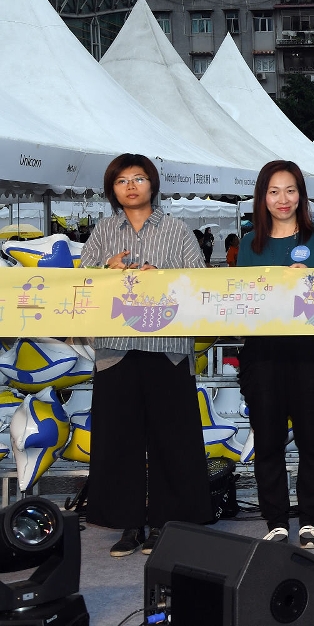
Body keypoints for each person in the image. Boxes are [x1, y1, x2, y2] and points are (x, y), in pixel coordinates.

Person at [79, 153, 213, 557]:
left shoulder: (177, 230)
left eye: (139, 178)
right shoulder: (103, 231)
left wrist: (164, 278)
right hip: (116, 350)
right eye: (122, 181)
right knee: (118, 441)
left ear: (153, 184)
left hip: (166, 349)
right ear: (112, 190)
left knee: (172, 440)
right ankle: (128, 525)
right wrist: (107, 268)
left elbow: (201, 281)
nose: (131, 186)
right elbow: (80, 283)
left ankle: (165, 525)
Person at [236, 161, 314, 548]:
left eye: (290, 190)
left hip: (313, 350)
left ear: (301, 194)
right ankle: (276, 520)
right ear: (262, 198)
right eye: (273, 192)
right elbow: (241, 302)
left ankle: (311, 518)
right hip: (263, 351)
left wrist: (310, 283)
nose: (283, 200)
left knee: (312, 436)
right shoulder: (250, 244)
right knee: (267, 438)